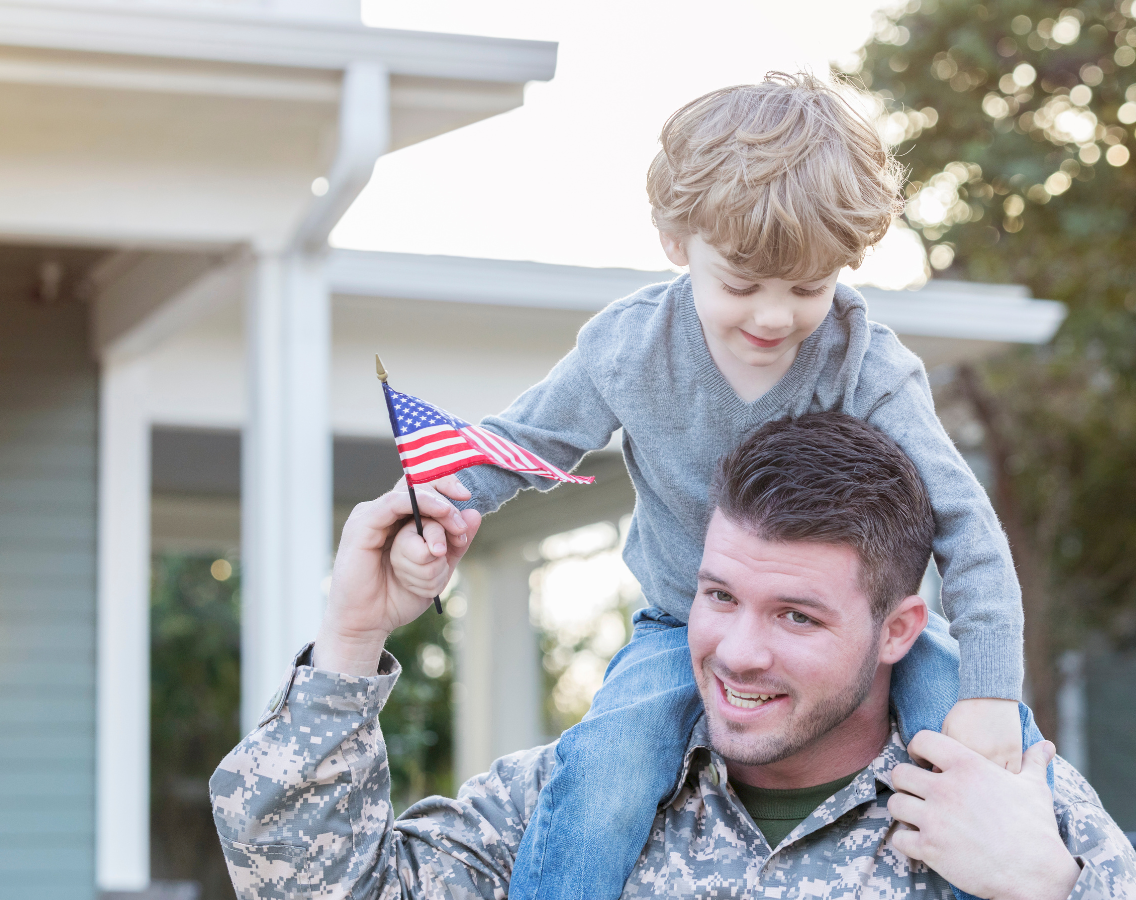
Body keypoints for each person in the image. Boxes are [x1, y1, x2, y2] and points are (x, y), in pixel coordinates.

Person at [406, 73, 1037, 900]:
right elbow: (527, 441)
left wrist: (990, 692)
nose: (773, 316)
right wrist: (440, 498)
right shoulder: (629, 349)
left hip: (861, 638)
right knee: (603, 780)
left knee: (975, 759)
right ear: (677, 240)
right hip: (680, 623)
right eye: (741, 283)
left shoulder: (868, 365)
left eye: (809, 288)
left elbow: (966, 525)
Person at [210, 413, 1136, 900]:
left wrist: (1049, 889)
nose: (738, 651)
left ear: (899, 630)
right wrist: (351, 636)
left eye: (797, 618)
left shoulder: (1020, 819)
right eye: (719, 595)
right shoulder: (572, 799)